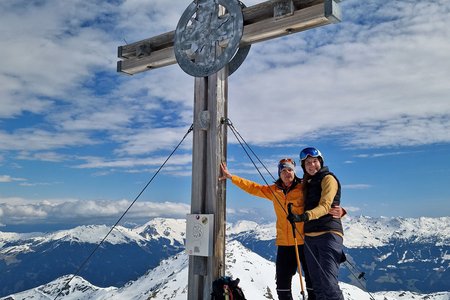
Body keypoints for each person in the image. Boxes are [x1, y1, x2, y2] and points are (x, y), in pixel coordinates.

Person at [220, 159, 343, 300]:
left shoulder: (304, 187)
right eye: (283, 170)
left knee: (312, 284)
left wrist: (342, 210)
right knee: (282, 286)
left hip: (304, 241)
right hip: (284, 244)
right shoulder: (274, 190)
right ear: (279, 173)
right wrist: (231, 177)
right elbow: (254, 188)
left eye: (290, 170)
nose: (287, 173)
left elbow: (321, 200)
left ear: (294, 171)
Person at [287, 147, 346, 300]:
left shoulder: (328, 179)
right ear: (303, 166)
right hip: (310, 237)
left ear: (320, 161)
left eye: (314, 161)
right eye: (308, 163)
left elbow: (326, 205)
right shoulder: (308, 183)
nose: (312, 165)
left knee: (328, 283)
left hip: (328, 234)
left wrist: (305, 216)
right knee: (317, 284)